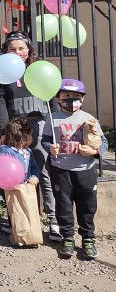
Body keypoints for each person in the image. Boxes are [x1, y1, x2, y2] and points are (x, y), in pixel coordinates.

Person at [0, 30, 61, 242]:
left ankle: (53, 220)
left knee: (43, 173)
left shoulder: (38, 69)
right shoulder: (2, 74)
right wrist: (5, 130)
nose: (17, 52)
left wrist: (56, 126)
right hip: (15, 128)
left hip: (39, 125)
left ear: (29, 50)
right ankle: (17, 219)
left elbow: (51, 99)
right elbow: (1, 103)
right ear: (5, 51)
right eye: (12, 49)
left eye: (21, 48)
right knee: (15, 174)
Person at [42, 79, 108, 259]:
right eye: (66, 97)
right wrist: (50, 147)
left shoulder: (89, 119)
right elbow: (45, 139)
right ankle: (67, 237)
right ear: (58, 98)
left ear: (83, 99)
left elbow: (104, 143)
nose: (71, 101)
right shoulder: (53, 118)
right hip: (60, 169)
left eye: (76, 97)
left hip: (85, 170)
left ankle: (88, 239)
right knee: (63, 205)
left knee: (87, 205)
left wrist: (94, 151)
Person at [0, 117, 41, 245]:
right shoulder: (6, 150)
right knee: (14, 209)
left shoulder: (28, 151)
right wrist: (8, 182)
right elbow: (3, 167)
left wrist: (34, 176)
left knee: (27, 208)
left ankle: (28, 231)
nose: (32, 138)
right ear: (22, 137)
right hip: (13, 186)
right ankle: (16, 231)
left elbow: (34, 166)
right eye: (30, 135)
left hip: (26, 185)